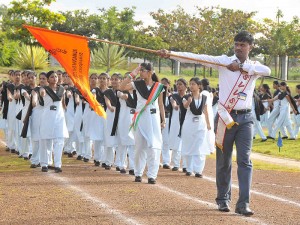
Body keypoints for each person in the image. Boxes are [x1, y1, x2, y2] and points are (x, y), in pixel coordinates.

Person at [158, 31, 271, 216]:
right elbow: (198, 58)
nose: (238, 47)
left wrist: (242, 67)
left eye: (242, 44)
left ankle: (243, 203)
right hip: (226, 118)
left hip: (246, 119)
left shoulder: (254, 66)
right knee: (223, 161)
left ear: (250, 47)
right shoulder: (223, 61)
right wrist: (170, 54)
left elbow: (268, 71)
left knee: (245, 161)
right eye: (236, 44)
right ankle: (223, 199)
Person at [120, 62, 165, 184]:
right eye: (140, 70)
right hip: (141, 117)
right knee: (139, 147)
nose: (141, 72)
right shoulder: (137, 84)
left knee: (154, 147)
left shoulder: (158, 87)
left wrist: (163, 120)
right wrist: (132, 74)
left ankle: (152, 175)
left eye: (143, 70)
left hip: (154, 119)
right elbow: (122, 87)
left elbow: (161, 104)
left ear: (150, 72)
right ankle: (138, 173)